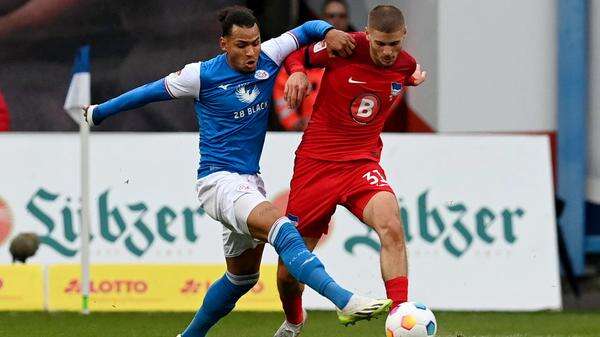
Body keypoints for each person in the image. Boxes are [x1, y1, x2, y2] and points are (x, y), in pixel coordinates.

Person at [82, 6, 391, 337]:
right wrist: (99, 112)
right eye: (242, 45)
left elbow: (305, 29)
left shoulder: (269, 55)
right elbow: (147, 93)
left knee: (241, 279)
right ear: (223, 44)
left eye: (255, 42)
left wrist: (327, 32)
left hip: (248, 183)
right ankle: (344, 300)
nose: (252, 52)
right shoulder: (200, 75)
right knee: (283, 229)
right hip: (218, 182)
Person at [273, 5, 427, 337]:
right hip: (317, 164)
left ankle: (400, 316)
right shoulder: (345, 46)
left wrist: (412, 77)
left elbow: (403, 75)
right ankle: (295, 319)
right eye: (380, 44)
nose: (387, 53)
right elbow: (294, 53)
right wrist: (298, 72)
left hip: (362, 165)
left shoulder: (406, 64)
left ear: (404, 37)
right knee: (288, 272)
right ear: (368, 35)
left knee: (391, 225)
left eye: (394, 45)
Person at [272, 0, 354, 131]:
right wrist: (293, 122)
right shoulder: (306, 53)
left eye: (341, 16)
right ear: (322, 20)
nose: (336, 20)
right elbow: (281, 91)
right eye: (331, 16)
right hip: (309, 131)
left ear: (348, 19)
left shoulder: (358, 53)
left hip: (348, 131)